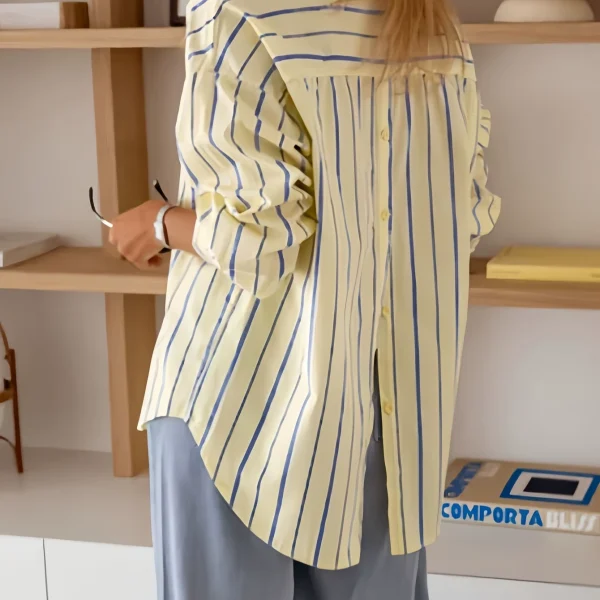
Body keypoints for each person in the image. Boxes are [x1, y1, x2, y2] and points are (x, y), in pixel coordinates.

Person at [108, 0, 500, 598]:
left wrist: (158, 223)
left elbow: (257, 245)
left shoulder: (236, 11)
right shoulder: (436, 28)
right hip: (379, 417)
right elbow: (461, 221)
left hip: (232, 413)